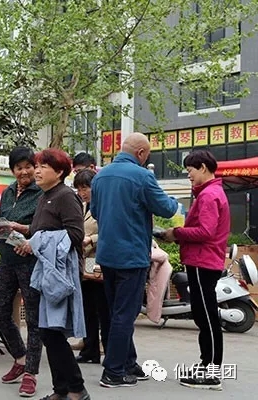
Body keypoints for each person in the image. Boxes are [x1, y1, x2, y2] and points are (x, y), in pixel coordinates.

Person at [90, 132, 178, 388]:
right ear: (141, 153)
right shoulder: (142, 176)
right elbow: (166, 208)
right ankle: (114, 371)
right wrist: (173, 201)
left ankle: (128, 363)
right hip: (131, 256)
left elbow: (95, 211)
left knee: (115, 311)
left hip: (107, 255)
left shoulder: (100, 176)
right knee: (125, 315)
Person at [14, 148, 90, 400]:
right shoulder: (45, 196)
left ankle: (77, 389)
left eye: (42, 167)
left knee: (52, 332)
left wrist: (36, 242)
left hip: (60, 272)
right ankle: (61, 390)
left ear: (59, 172)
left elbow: (76, 234)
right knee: (48, 331)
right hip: (46, 270)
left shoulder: (66, 196)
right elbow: (41, 230)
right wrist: (23, 235)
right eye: (36, 166)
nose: (36, 171)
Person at [161, 150, 230, 391]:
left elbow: (205, 231)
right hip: (203, 260)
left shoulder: (209, 195)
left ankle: (212, 373)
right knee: (203, 316)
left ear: (202, 167)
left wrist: (176, 233)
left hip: (203, 261)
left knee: (207, 317)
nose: (188, 175)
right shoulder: (210, 192)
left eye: (190, 170)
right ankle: (206, 365)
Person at [0, 146, 44, 398]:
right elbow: (1, 218)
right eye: (18, 168)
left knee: (33, 318)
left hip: (30, 261)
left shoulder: (42, 192)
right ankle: (20, 357)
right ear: (12, 170)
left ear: (35, 167)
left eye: (28, 167)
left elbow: (42, 227)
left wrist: (19, 227)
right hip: (7, 259)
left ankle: (31, 372)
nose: (24, 172)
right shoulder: (8, 191)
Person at [74, 168, 110, 365]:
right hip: (82, 263)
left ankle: (109, 349)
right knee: (86, 309)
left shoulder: (104, 205)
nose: (82, 193)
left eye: (85, 188)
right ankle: (90, 350)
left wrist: (91, 239)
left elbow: (109, 230)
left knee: (103, 309)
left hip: (99, 261)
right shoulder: (80, 206)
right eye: (79, 189)